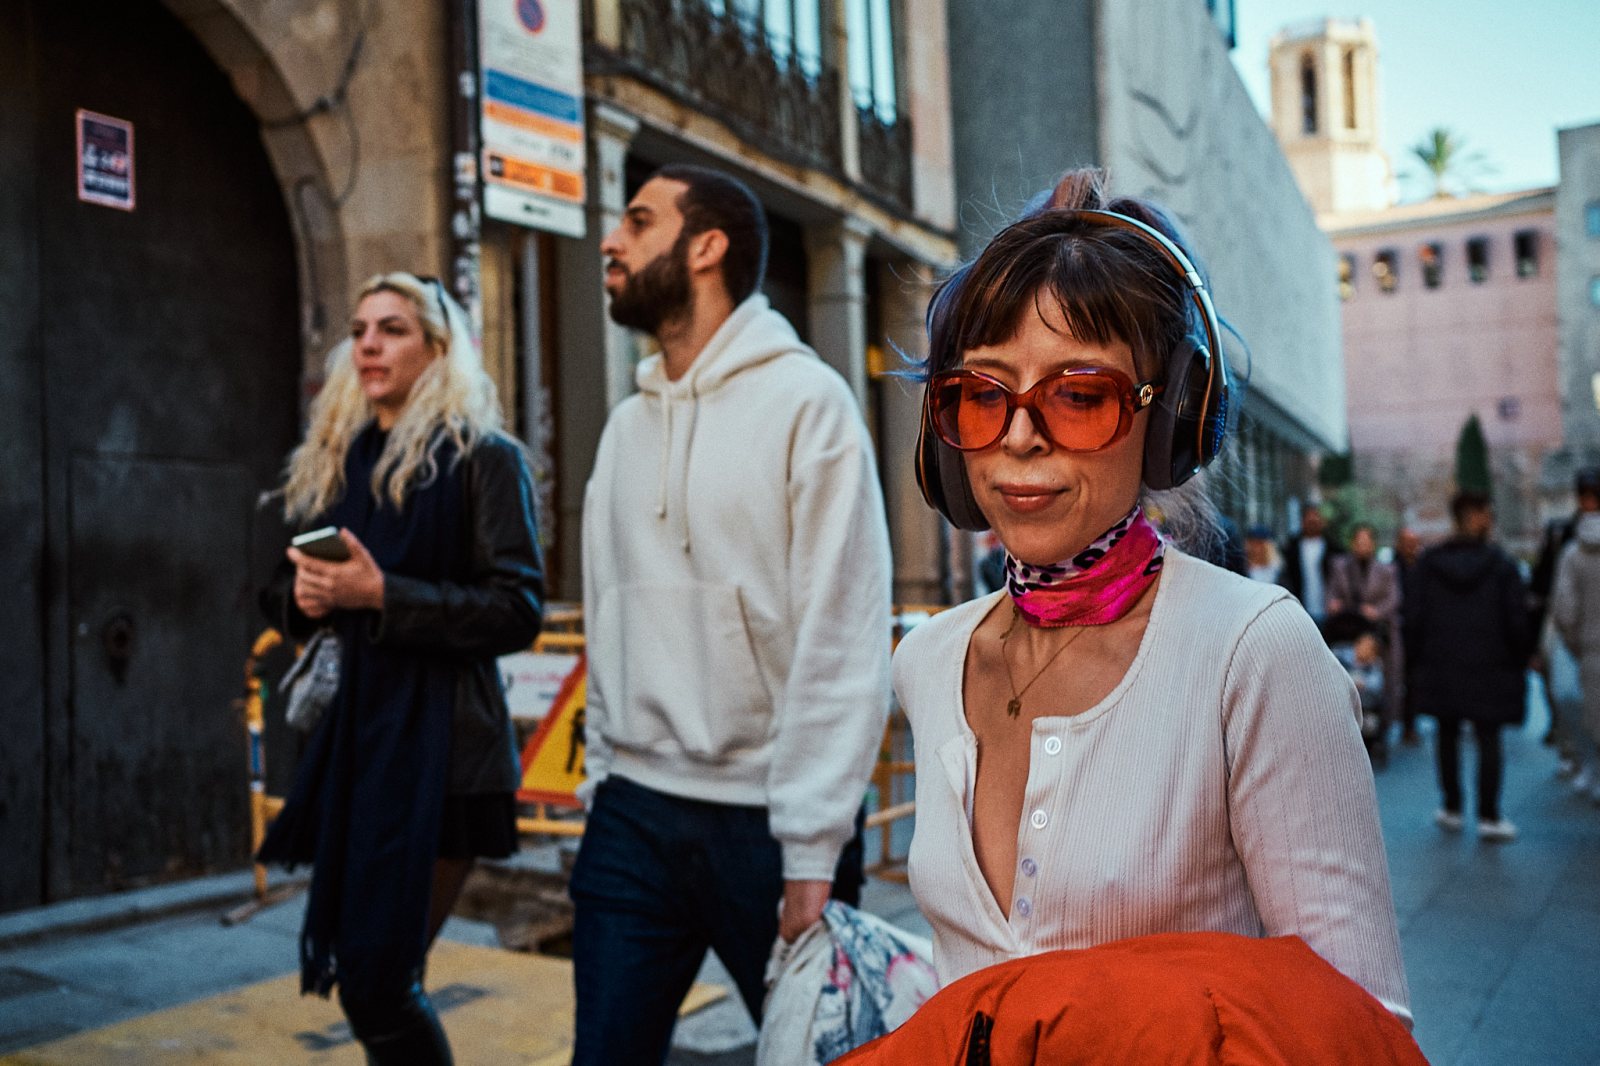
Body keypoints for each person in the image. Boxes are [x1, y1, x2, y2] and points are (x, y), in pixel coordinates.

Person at [898, 167, 1410, 1025]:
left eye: (1078, 395)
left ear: (1173, 416)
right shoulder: (926, 660)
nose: (1019, 437)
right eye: (983, 395)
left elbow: (1361, 1029)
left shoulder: (1254, 653)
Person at [573, 164, 893, 1064]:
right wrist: (601, 779)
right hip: (632, 812)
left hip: (769, 823)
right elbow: (605, 614)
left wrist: (813, 844)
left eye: (639, 221)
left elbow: (843, 633)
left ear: (706, 247)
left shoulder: (809, 404)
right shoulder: (625, 427)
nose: (611, 241)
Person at [258, 273, 545, 1063]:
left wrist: (383, 594)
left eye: (392, 329)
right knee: (369, 979)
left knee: (379, 982)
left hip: (447, 756)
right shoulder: (343, 460)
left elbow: (517, 607)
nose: (369, 346)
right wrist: (307, 598)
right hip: (359, 747)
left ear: (438, 349)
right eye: (358, 331)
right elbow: (281, 585)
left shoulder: (485, 459)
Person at [1406, 491, 1531, 842]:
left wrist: (1416, 660)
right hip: (1490, 665)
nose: (1490, 519)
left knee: (1446, 733)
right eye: (1486, 513)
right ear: (1473, 516)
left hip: (1442, 664)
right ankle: (1489, 814)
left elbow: (1413, 616)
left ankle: (1452, 807)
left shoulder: (1429, 564)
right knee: (1488, 735)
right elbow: (1517, 619)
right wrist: (1520, 658)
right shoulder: (1501, 565)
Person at [1327, 523, 1402, 754]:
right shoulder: (1340, 566)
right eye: (1359, 542)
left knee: (1385, 683)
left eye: (1367, 542)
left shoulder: (1386, 570)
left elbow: (1393, 598)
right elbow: (1332, 593)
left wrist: (1376, 611)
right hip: (1349, 631)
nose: (1363, 546)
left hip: (1378, 633)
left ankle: (1381, 732)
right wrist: (1335, 604)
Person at [1551, 475, 1600, 800]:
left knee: (1585, 711)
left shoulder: (1572, 552)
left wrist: (1575, 643)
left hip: (1589, 646)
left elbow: (1565, 610)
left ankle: (1593, 771)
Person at [1278, 503, 1341, 628]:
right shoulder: (1291, 548)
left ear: (1322, 521)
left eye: (1316, 516)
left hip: (1329, 613)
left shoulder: (1334, 549)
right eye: (1308, 517)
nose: (1312, 520)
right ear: (1302, 521)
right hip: (1299, 612)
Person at [1393, 526, 1424, 745]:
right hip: (1398, 629)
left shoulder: (1423, 569)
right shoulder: (1391, 568)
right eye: (1406, 542)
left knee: (1414, 680)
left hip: (1418, 630)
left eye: (1413, 542)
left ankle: (1410, 724)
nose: (1410, 547)